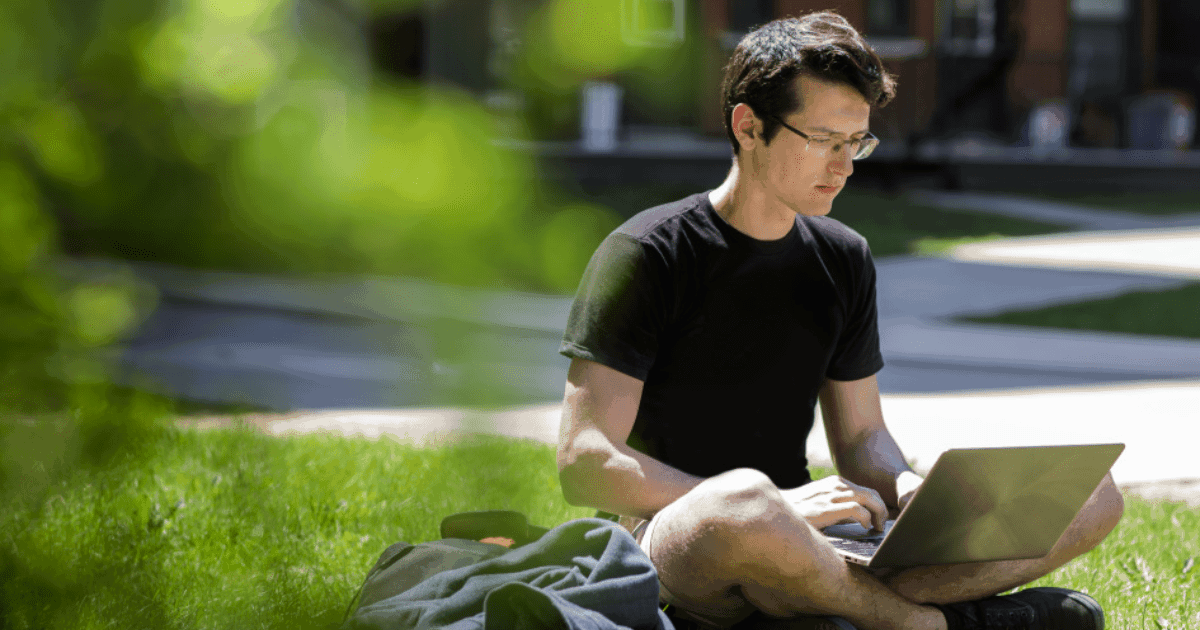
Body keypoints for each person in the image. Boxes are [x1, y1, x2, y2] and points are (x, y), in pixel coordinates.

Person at [554, 11, 1124, 630]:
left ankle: (861, 610)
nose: (846, 166)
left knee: (1095, 495)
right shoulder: (646, 253)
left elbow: (859, 440)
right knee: (746, 502)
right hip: (688, 540)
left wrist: (909, 489)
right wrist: (779, 506)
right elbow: (585, 460)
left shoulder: (842, 257)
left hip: (817, 543)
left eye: (857, 143)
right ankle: (937, 623)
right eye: (825, 141)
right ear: (749, 127)